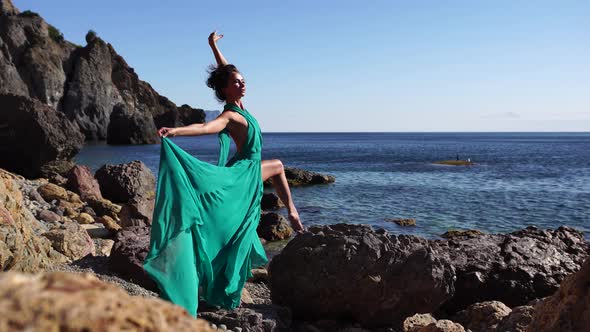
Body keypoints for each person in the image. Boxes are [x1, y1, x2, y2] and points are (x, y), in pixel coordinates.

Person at [143, 31, 304, 317]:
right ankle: (291, 215)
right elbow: (205, 128)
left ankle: (222, 290)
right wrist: (176, 131)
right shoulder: (229, 115)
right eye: (236, 82)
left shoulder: (241, 104)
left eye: (243, 80)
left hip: (247, 170)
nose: (242, 83)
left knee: (239, 231)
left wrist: (214, 47)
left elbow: (225, 71)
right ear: (226, 91)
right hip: (242, 173)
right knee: (271, 176)